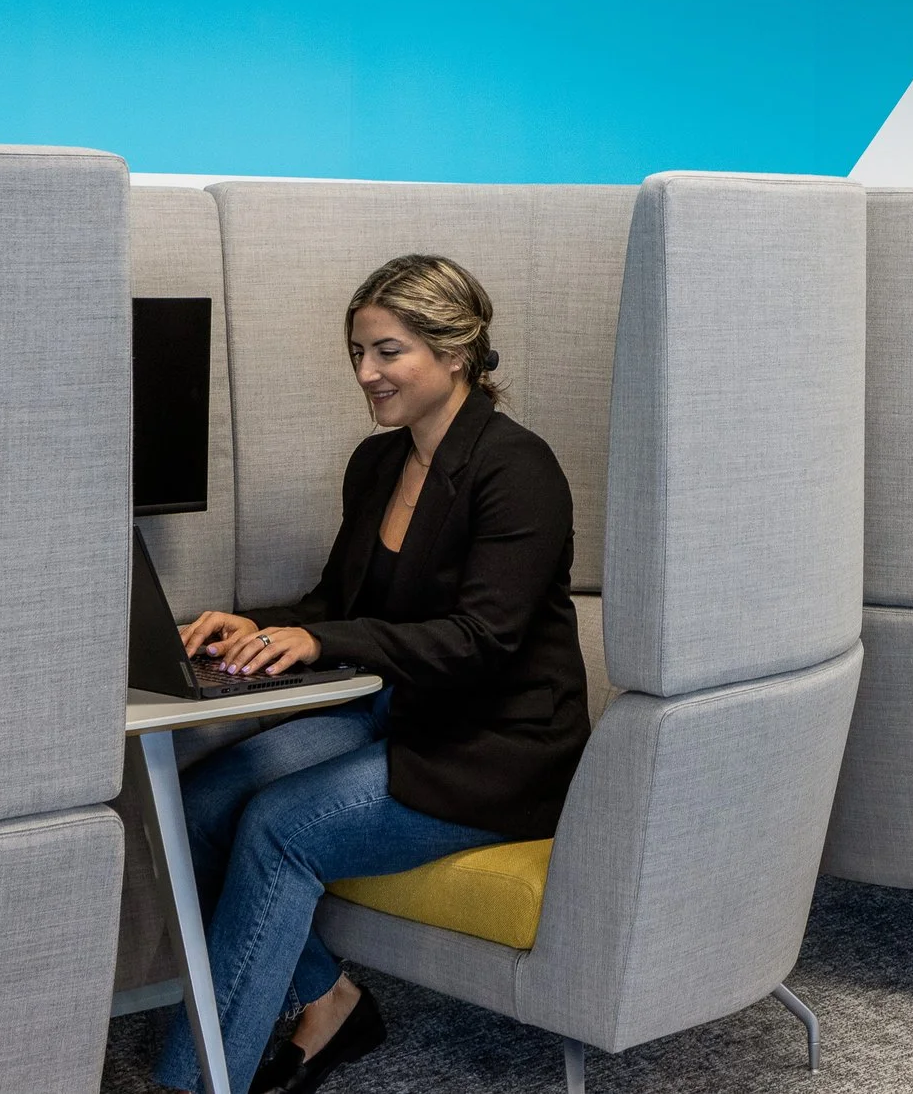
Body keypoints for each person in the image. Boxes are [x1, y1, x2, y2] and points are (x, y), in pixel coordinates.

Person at [152, 254, 591, 1094]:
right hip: (402, 712)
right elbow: (342, 598)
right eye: (358, 352)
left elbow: (482, 639)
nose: (366, 373)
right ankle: (330, 997)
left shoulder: (517, 469)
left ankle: (197, 1082)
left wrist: (324, 642)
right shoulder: (378, 462)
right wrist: (273, 628)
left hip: (495, 746)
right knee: (202, 807)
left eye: (387, 351)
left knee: (281, 824)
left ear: (454, 351)